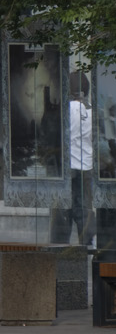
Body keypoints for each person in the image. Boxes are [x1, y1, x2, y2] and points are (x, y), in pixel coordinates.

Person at [69, 73, 94, 247]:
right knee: (84, 210)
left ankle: (60, 251)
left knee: (63, 212)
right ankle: (87, 246)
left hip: (68, 167)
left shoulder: (67, 109)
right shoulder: (92, 110)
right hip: (87, 167)